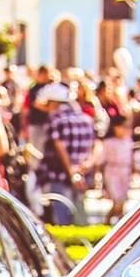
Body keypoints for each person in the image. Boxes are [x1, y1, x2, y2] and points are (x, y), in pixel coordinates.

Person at [33, 81, 94, 222]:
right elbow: (94, 145)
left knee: (61, 218)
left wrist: (71, 171)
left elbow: (60, 148)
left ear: (53, 103)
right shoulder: (86, 119)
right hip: (81, 174)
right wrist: (85, 166)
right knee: (79, 216)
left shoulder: (55, 120)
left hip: (58, 175)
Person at [97, 75, 135, 222]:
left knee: (122, 201)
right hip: (112, 170)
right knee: (117, 200)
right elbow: (102, 159)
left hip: (124, 170)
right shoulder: (109, 142)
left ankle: (118, 223)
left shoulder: (127, 141)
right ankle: (109, 221)